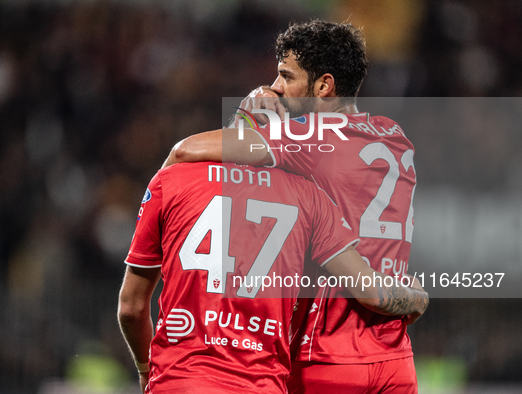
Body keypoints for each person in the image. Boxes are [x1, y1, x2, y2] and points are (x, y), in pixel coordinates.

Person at [163, 20, 421, 393]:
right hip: (394, 361)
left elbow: (185, 152)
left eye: (286, 76)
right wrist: (415, 297)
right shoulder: (396, 137)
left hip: (323, 357)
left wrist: (246, 116)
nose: (276, 88)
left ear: (323, 85)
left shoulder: (308, 137)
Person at [118, 161, 428, 393]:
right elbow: (370, 291)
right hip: (262, 384)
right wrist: (416, 297)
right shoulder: (309, 196)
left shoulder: (172, 179)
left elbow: (131, 309)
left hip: (180, 380)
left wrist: (147, 370)